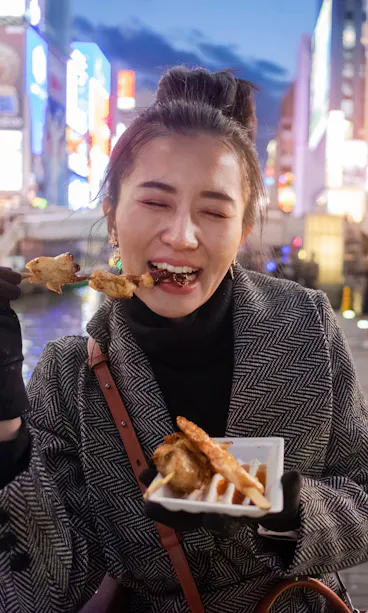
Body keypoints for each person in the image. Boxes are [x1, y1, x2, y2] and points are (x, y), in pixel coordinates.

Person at [0, 67, 367, 613]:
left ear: (243, 229)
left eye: (214, 211)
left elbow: (361, 497)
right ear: (112, 214)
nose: (182, 235)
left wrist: (263, 497)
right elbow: (41, 589)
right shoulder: (68, 374)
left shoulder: (306, 324)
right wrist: (6, 427)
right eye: (154, 202)